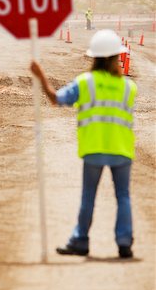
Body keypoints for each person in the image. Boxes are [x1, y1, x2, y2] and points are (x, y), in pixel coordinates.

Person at [30, 29, 137, 258]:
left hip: (94, 148)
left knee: (89, 196)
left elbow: (55, 99)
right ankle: (125, 242)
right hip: (122, 149)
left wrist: (41, 76)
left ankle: (80, 241)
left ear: (94, 57)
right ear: (117, 56)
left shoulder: (85, 83)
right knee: (124, 196)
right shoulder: (129, 87)